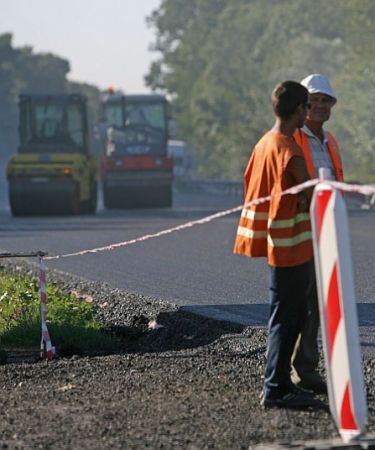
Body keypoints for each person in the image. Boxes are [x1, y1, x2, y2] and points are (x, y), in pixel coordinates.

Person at [233, 81, 321, 408]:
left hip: (278, 243)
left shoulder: (263, 144)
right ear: (299, 109)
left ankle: (278, 382)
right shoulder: (289, 148)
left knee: (285, 313)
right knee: (290, 316)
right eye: (306, 107)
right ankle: (276, 386)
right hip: (293, 246)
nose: (307, 114)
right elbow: (313, 196)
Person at [291, 74, 344, 395]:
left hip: (326, 232)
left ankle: (306, 368)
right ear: (302, 105)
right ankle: (286, 372)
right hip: (299, 233)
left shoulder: (330, 141)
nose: (321, 106)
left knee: (316, 303)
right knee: (296, 304)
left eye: (326, 101)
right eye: (314, 101)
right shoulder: (294, 139)